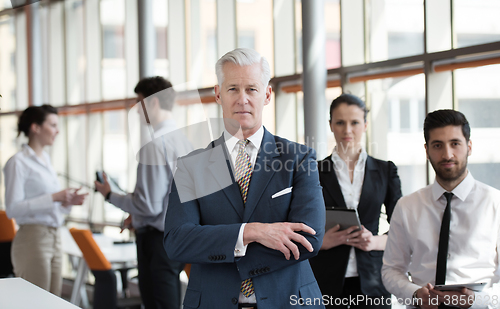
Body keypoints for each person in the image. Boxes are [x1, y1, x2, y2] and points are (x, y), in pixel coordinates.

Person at [163, 48, 325, 309]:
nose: (242, 99)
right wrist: (251, 232)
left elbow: (309, 239)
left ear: (267, 95)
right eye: (232, 89)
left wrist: (227, 249)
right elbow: (177, 241)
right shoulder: (191, 167)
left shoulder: (299, 159)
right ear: (218, 94)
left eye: (251, 89)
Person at [382, 109, 500, 309]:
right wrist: (415, 294)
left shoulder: (495, 203)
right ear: (427, 150)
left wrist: (476, 301)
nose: (447, 154)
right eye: (438, 145)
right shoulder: (407, 206)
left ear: (469, 147)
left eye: (455, 143)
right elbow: (391, 270)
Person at [95, 76, 191, 309]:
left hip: (156, 241)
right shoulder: (184, 140)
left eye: (139, 104)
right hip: (179, 236)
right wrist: (135, 215)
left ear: (153, 103)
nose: (136, 112)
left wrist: (110, 195)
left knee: (157, 304)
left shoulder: (154, 146)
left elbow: (149, 206)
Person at [309, 94, 402, 309]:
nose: (347, 130)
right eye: (340, 122)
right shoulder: (313, 171)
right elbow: (298, 223)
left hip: (373, 282)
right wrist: (321, 242)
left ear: (366, 125)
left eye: (355, 123)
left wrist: (375, 242)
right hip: (325, 281)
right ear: (330, 125)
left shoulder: (385, 170)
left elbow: (402, 228)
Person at [3, 105, 87, 295]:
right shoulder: (18, 162)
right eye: (53, 125)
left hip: (55, 236)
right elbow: (12, 209)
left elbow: (50, 205)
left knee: (53, 299)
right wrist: (54, 197)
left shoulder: (46, 161)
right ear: (36, 128)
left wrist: (65, 202)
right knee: (35, 301)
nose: (57, 130)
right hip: (33, 238)